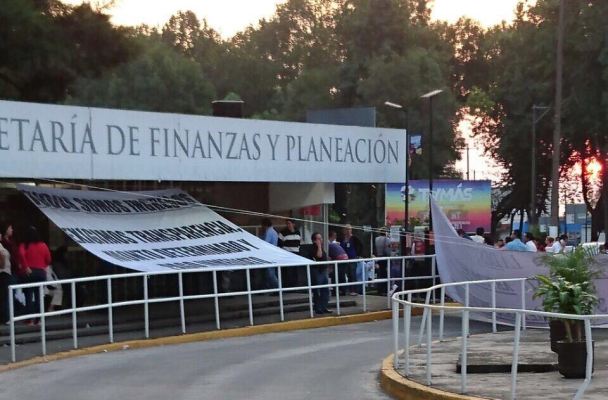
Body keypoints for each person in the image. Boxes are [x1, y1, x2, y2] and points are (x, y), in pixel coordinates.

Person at [18, 226, 51, 325]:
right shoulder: (43, 245)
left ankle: (29, 319)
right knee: (39, 296)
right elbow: (48, 259)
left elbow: (21, 254)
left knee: (28, 295)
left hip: (29, 272)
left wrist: (26, 266)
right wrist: (43, 265)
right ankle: (38, 319)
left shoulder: (24, 245)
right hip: (41, 273)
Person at [308, 232, 331, 315]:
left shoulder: (321, 247)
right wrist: (319, 246)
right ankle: (318, 308)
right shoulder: (313, 248)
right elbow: (319, 256)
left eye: (321, 238)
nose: (321, 240)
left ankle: (324, 306)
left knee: (325, 290)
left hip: (323, 270)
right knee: (317, 291)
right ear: (314, 240)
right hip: (317, 271)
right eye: (319, 238)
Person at [340, 224, 363, 296]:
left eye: (349, 229)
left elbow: (361, 245)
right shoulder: (343, 238)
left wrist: (358, 254)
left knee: (353, 273)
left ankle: (354, 290)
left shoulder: (354, 238)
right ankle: (349, 289)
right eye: (346, 229)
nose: (348, 231)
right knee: (348, 274)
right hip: (345, 258)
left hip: (352, 257)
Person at [278, 219, 302, 287]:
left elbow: (299, 243)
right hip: (287, 254)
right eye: (287, 223)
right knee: (287, 271)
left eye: (289, 223)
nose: (288, 225)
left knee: (295, 270)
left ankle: (295, 286)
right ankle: (287, 286)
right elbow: (279, 244)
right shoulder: (282, 232)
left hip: (296, 254)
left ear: (293, 224)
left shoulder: (298, 232)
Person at [261, 218, 279, 291]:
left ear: (265, 225)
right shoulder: (274, 231)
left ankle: (277, 288)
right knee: (271, 272)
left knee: (270, 272)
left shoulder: (269, 232)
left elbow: (266, 242)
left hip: (270, 254)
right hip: (274, 253)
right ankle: (271, 288)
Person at [374, 227, 391, 295]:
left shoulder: (376, 239)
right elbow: (387, 250)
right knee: (385, 274)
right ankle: (384, 289)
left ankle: (379, 289)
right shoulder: (386, 239)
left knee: (380, 273)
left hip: (378, 256)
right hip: (385, 257)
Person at [0, 231, 12, 324]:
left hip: (5, 272)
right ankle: (5, 317)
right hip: (3, 272)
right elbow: (2, 256)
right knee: (4, 295)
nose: (0, 235)